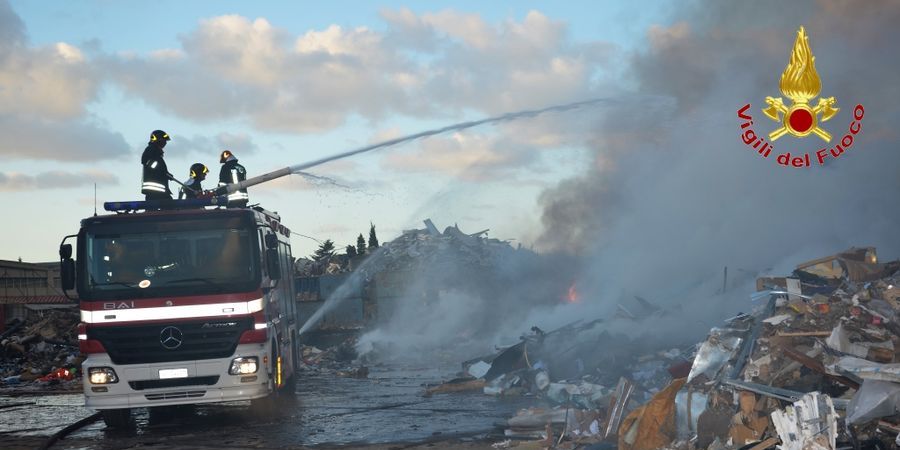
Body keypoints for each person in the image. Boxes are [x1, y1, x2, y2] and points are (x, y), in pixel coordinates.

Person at [141, 130, 173, 200]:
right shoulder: (151, 150)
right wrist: (163, 172)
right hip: (155, 190)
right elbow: (146, 162)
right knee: (170, 207)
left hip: (158, 189)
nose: (165, 143)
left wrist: (167, 174)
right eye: (164, 140)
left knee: (157, 209)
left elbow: (159, 168)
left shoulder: (156, 152)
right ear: (157, 140)